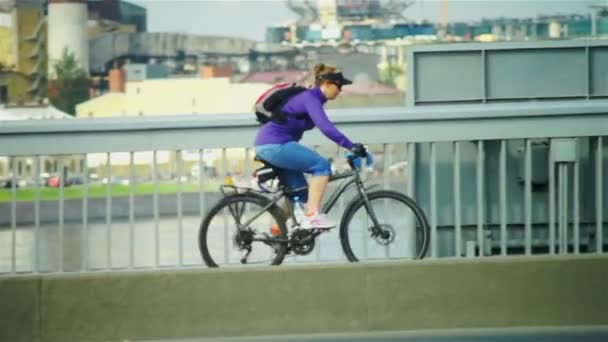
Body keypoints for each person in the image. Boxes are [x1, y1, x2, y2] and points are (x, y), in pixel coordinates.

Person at [254, 63, 367, 229]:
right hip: (275, 145)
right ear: (327, 83)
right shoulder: (310, 98)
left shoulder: (311, 99)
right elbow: (326, 127)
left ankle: (278, 234)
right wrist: (351, 146)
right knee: (322, 166)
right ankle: (312, 216)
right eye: (338, 85)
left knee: (300, 193)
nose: (340, 90)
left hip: (271, 145)